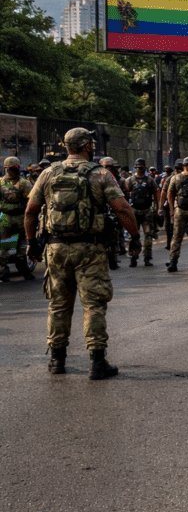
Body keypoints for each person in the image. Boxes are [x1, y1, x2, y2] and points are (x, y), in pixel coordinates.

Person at [23, 128, 141, 379]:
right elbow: (122, 208)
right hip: (90, 249)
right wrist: (135, 237)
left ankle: (57, 360)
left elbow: (31, 211)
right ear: (87, 147)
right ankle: (97, 362)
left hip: (55, 249)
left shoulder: (47, 173)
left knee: (58, 304)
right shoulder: (100, 174)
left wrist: (32, 243)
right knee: (94, 304)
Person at [0, 156, 35, 281]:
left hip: (6, 218)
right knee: (24, 243)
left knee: (3, 245)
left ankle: (2, 271)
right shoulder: (25, 183)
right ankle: (25, 270)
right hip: (22, 217)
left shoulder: (1, 183)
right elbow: (32, 200)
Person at [124, 158, 158, 267]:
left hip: (140, 210)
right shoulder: (149, 180)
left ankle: (136, 257)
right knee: (142, 235)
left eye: (140, 167)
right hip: (142, 210)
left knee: (138, 235)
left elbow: (126, 193)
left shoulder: (130, 180)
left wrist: (156, 206)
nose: (139, 169)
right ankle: (143, 258)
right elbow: (156, 193)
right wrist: (156, 207)